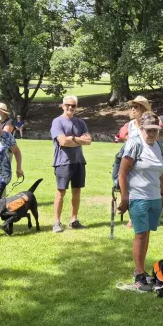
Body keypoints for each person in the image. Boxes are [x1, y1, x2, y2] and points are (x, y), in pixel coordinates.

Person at [117, 113, 163, 291]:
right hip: (138, 196)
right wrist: (124, 197)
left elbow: (161, 172)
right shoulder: (134, 144)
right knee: (140, 234)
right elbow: (122, 173)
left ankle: (142, 270)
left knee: (146, 234)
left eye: (155, 130)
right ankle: (139, 273)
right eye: (148, 130)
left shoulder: (159, 146)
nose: (152, 134)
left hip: (154, 196)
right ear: (141, 129)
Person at [51, 95, 91, 232]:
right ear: (62, 106)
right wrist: (79, 140)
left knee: (77, 191)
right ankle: (56, 222)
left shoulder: (80, 123)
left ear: (76, 107)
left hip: (78, 160)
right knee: (61, 192)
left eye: (73, 105)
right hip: (63, 162)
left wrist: (73, 138)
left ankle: (74, 220)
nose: (70, 107)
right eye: (67, 105)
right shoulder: (57, 122)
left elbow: (89, 141)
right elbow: (62, 142)